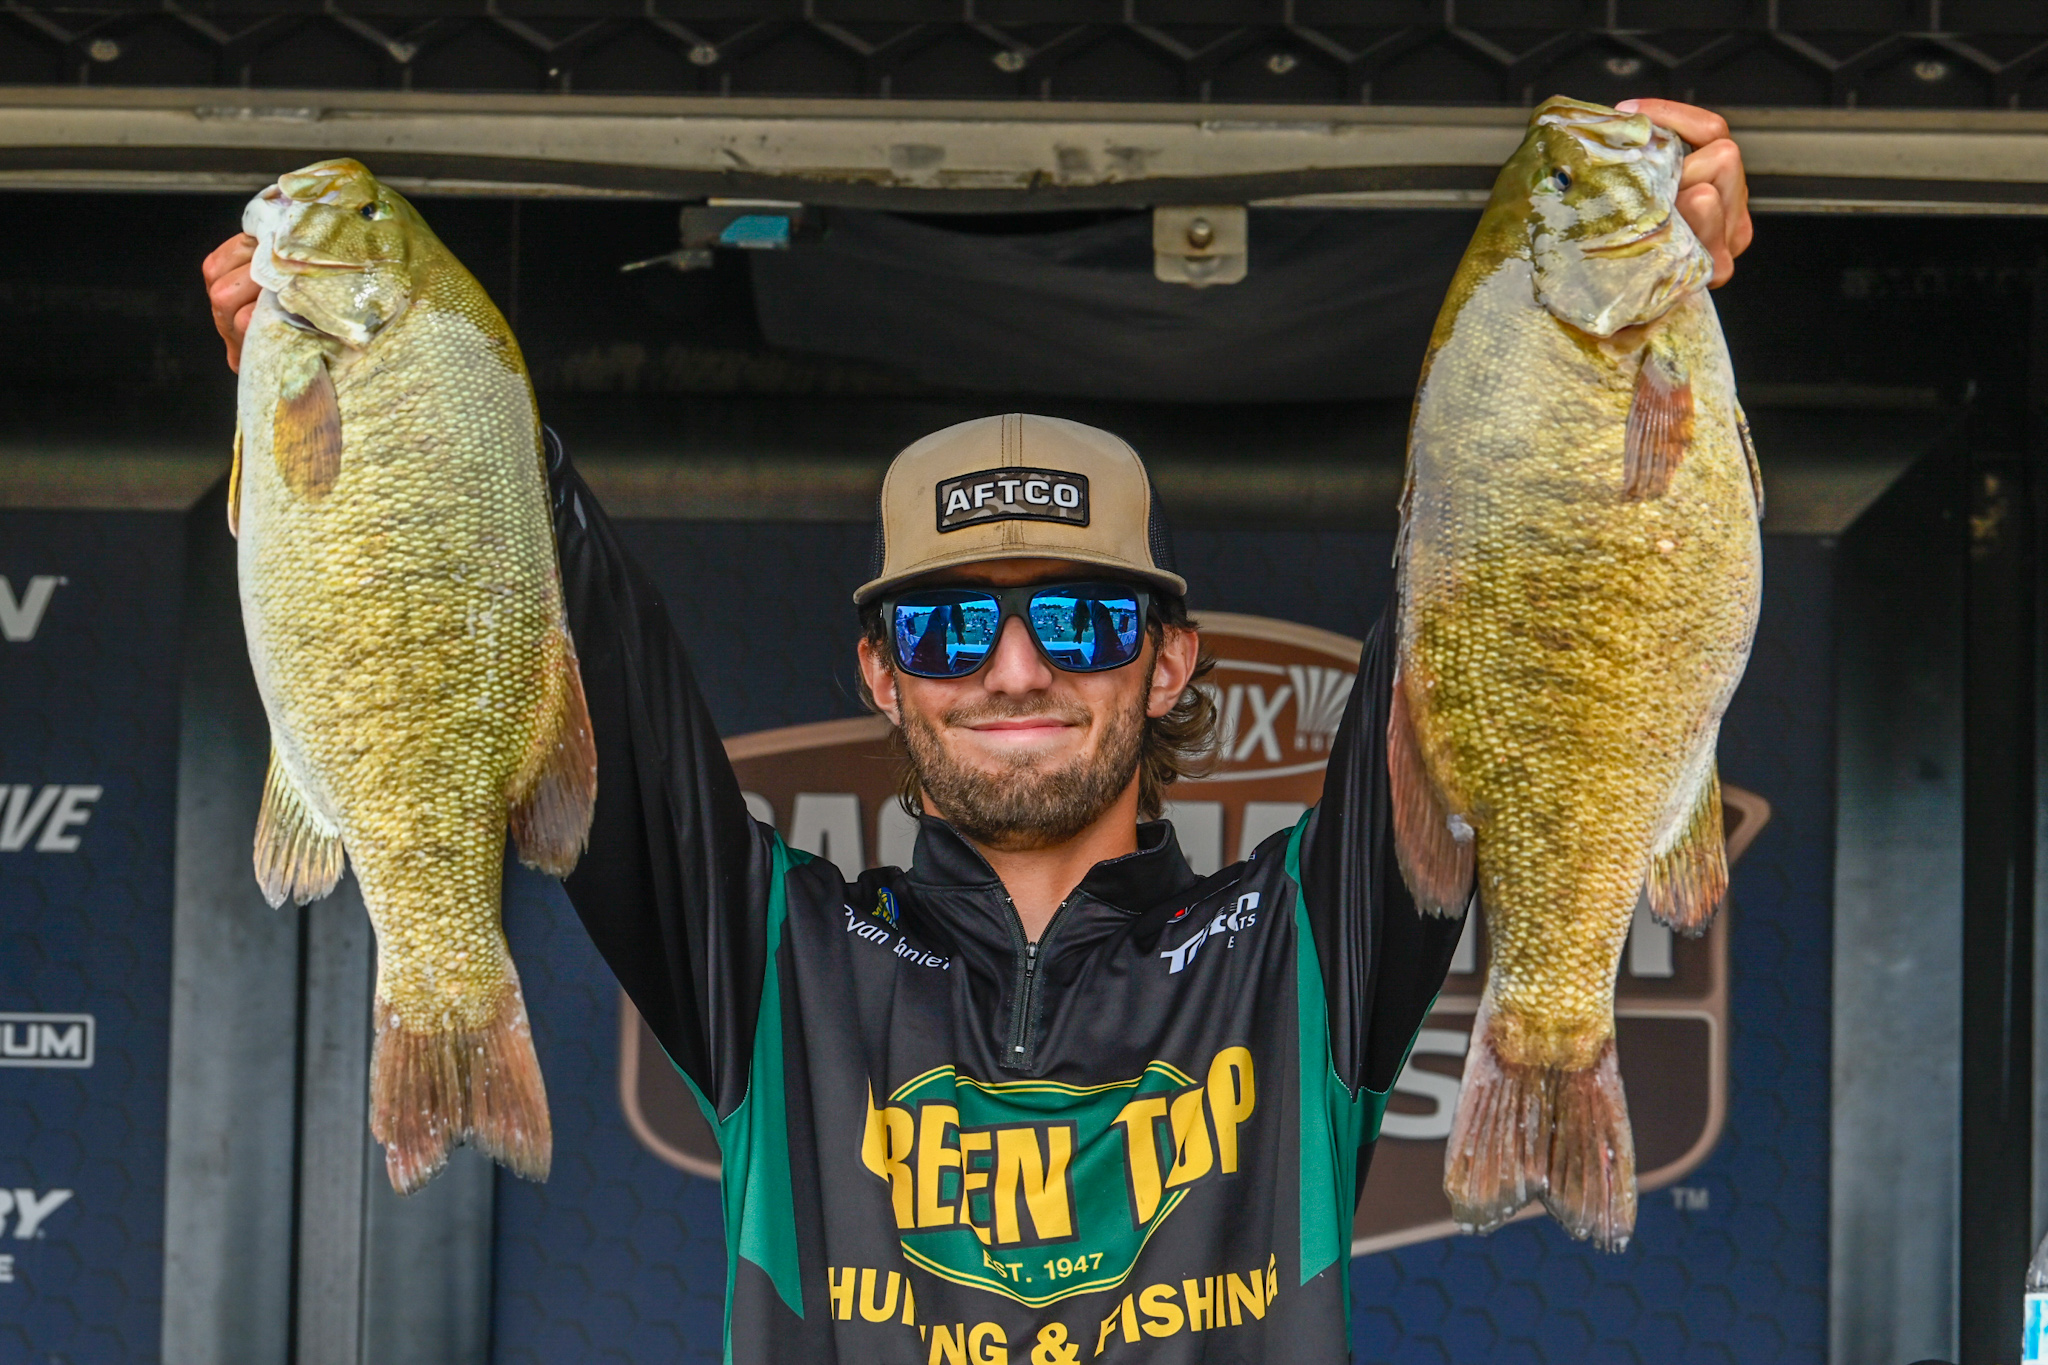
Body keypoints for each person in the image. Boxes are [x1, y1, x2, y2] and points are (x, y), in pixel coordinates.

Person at [203, 100, 1752, 1364]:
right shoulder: (777, 967)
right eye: (950, 628)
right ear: (883, 674)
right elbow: (563, 612)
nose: (1015, 668)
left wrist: (1631, 281)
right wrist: (375, 393)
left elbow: (1498, 569)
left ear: (1168, 660)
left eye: (1077, 621)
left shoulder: (1295, 955)